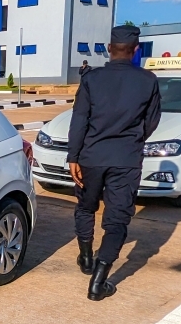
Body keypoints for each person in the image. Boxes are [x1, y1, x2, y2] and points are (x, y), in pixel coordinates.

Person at [67, 25, 161, 301]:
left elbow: (79, 120)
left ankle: (85, 257)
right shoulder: (148, 80)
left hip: (90, 157)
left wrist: (73, 156)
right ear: (136, 50)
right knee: (117, 219)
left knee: (85, 207)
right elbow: (151, 121)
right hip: (126, 159)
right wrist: (131, 140)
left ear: (109, 48)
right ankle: (99, 281)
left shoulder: (91, 79)